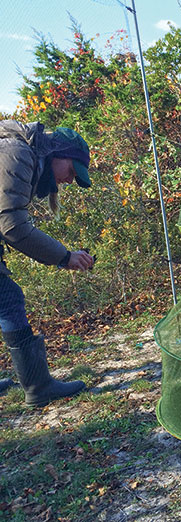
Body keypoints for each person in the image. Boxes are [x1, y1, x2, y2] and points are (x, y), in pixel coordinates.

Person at [0, 120, 95, 407]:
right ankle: (38, 386)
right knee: (8, 298)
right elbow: (12, 226)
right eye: (71, 171)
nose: (69, 180)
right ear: (59, 154)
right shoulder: (17, 154)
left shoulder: (19, 153)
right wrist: (64, 257)